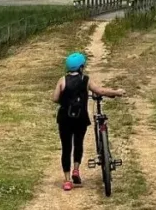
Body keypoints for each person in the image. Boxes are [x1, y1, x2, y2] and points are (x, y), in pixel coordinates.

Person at [53, 51, 125, 191]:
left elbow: (55, 98)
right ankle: (76, 170)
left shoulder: (62, 80)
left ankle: (67, 181)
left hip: (64, 119)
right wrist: (116, 92)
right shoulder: (86, 80)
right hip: (80, 118)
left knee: (66, 148)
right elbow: (100, 91)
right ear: (81, 67)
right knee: (78, 143)